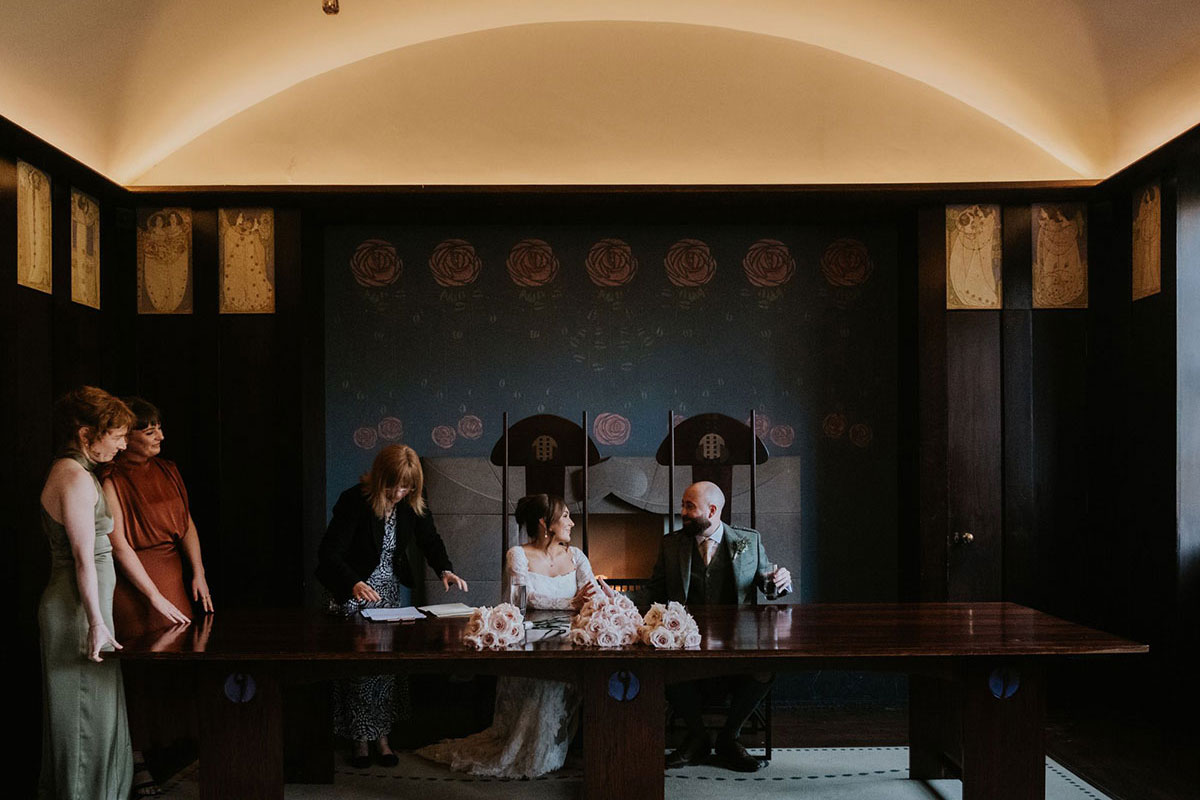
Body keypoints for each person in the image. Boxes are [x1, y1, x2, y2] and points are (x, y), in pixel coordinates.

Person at [416, 494, 603, 778]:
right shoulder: (518, 554)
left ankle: (571, 745)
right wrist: (569, 603)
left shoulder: (576, 556)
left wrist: (603, 597)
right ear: (545, 523)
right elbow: (520, 601)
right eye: (565, 516)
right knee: (543, 674)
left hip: (569, 639)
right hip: (530, 638)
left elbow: (592, 595)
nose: (571, 522)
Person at [316, 445, 468, 768]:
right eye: (393, 486)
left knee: (386, 669)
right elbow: (329, 553)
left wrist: (444, 569)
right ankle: (360, 740)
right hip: (355, 592)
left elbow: (430, 539)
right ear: (380, 477)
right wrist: (354, 583)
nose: (398, 493)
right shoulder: (354, 501)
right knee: (361, 671)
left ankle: (383, 739)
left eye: (406, 488)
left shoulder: (411, 504)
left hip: (388, 595)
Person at [640, 480, 792, 773]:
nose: (683, 512)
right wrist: (613, 597)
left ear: (712, 511)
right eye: (683, 505)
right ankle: (697, 737)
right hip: (686, 642)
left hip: (739, 642)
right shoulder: (671, 544)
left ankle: (729, 738)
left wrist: (780, 582)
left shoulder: (748, 541)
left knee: (766, 670)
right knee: (662, 667)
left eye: (689, 507)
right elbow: (653, 592)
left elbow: (769, 586)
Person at [37, 386, 141, 799]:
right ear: (85, 435)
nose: (123, 445)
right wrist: (96, 624)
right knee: (84, 721)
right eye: (116, 436)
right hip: (77, 611)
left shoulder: (80, 473)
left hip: (88, 608)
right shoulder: (74, 477)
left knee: (98, 715)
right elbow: (83, 559)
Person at [101, 397, 208, 797]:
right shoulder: (111, 479)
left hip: (174, 577)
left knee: (178, 665)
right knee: (140, 673)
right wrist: (153, 596)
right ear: (126, 437)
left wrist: (198, 573)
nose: (160, 435)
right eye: (149, 430)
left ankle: (175, 747)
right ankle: (137, 759)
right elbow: (119, 546)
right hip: (135, 586)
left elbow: (187, 523)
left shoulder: (168, 469)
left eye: (159, 427)